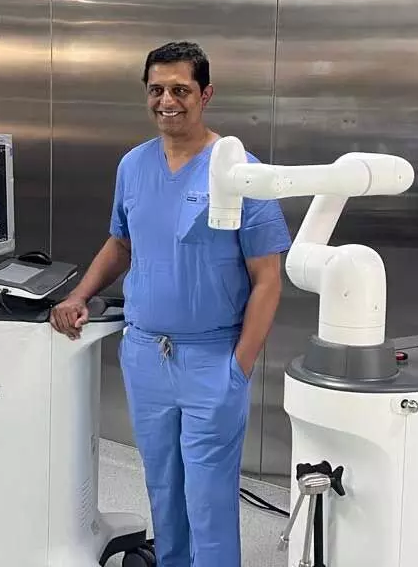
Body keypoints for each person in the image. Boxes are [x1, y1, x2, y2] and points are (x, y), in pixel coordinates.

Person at [51, 41, 291, 567]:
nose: (167, 101)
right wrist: (79, 295)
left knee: (208, 494)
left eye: (180, 90)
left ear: (205, 94)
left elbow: (268, 278)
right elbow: (121, 243)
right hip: (145, 354)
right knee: (162, 483)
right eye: (156, 90)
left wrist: (239, 367)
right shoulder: (134, 165)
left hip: (212, 357)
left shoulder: (240, 171)